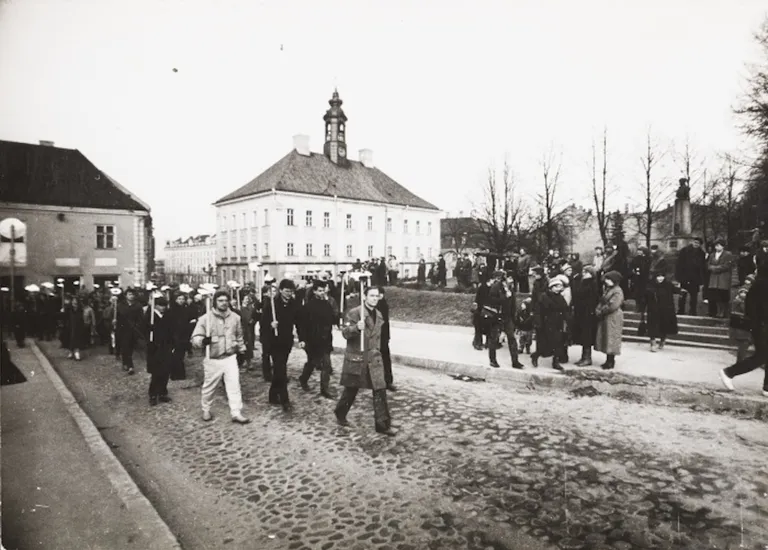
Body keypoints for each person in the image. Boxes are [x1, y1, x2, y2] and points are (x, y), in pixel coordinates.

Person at [334, 286, 396, 436]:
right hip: (358, 357)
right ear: (364, 297)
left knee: (380, 390)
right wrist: (356, 328)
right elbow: (345, 333)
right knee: (351, 389)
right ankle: (340, 412)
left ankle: (382, 425)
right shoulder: (355, 313)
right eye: (371, 296)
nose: (375, 298)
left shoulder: (379, 314)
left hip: (373, 358)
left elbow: (379, 338)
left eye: (376, 296)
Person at [191, 290, 250, 423]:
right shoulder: (205, 318)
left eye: (225, 300)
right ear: (215, 302)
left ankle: (236, 412)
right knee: (209, 386)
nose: (224, 303)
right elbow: (195, 337)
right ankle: (206, 409)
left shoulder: (235, 317)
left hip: (230, 357)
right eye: (220, 301)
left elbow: (239, 335)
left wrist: (242, 349)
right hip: (213, 358)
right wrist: (201, 341)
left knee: (234, 385)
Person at [719, 267, 768, 397]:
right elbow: (751, 306)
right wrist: (758, 323)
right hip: (761, 325)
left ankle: (767, 387)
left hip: (762, 323)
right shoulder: (761, 283)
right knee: (762, 355)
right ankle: (729, 372)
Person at [260, 279, 304, 412]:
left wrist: (301, 338)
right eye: (286, 291)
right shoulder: (271, 304)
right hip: (274, 342)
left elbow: (299, 323)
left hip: (286, 342)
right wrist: (270, 325)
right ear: (280, 290)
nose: (289, 293)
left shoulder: (294, 304)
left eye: (291, 291)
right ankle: (285, 400)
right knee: (281, 370)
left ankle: (273, 395)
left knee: (280, 369)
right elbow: (262, 325)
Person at [298, 280, 336, 398]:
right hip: (312, 340)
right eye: (319, 291)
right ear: (314, 291)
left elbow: (331, 319)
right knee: (312, 362)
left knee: (326, 365)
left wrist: (336, 318)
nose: (322, 293)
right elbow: (302, 325)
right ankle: (303, 379)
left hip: (325, 339)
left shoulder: (327, 304)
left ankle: (324, 389)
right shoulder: (308, 306)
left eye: (323, 290)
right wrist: (302, 339)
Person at [530, 277, 570, 371]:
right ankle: (535, 356)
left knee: (558, 344)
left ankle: (555, 362)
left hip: (557, 324)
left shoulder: (560, 298)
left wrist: (568, 320)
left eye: (560, 286)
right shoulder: (544, 297)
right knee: (544, 345)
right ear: (551, 287)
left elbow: (565, 310)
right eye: (557, 286)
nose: (559, 288)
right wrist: (538, 323)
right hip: (546, 324)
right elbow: (538, 311)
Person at [145, 296, 173, 406]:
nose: (163, 308)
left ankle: (162, 392)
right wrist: (150, 329)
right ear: (155, 305)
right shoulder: (150, 316)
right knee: (156, 372)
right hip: (154, 347)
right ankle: (153, 394)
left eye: (164, 306)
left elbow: (171, 329)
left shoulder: (167, 316)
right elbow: (143, 330)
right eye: (161, 306)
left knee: (165, 371)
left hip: (165, 346)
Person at [594, 271, 624, 370]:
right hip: (607, 316)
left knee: (612, 338)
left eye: (608, 279)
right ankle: (608, 360)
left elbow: (613, 305)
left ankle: (611, 361)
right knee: (607, 338)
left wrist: (601, 310)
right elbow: (603, 300)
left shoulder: (617, 291)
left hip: (613, 317)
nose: (606, 281)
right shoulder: (609, 289)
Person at [572, 266, 600, 366]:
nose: (583, 273)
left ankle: (587, 358)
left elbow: (584, 296)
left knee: (587, 336)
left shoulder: (591, 284)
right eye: (583, 271)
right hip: (582, 313)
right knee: (583, 336)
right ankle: (584, 357)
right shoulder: (583, 282)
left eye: (586, 272)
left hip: (588, 314)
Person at [645, 270, 679, 352]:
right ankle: (653, 343)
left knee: (664, 326)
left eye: (662, 276)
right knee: (652, 326)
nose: (660, 278)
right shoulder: (651, 285)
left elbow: (676, 290)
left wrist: (680, 290)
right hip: (653, 310)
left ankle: (662, 340)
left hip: (665, 310)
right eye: (658, 276)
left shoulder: (668, 285)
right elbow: (646, 297)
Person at [500, 271, 525, 369]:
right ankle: (492, 360)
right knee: (494, 340)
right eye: (510, 278)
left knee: (512, 339)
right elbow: (494, 300)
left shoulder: (511, 288)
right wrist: (505, 296)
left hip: (509, 317)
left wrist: (514, 316)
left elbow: (513, 303)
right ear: (505, 278)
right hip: (499, 316)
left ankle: (515, 361)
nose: (511, 280)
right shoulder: (498, 287)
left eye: (512, 279)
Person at [116, 288, 144, 375]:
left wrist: (138, 326)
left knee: (130, 347)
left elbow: (141, 318)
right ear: (126, 296)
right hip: (123, 329)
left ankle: (126, 362)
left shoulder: (138, 306)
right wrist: (114, 322)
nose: (131, 296)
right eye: (129, 294)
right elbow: (117, 317)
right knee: (125, 347)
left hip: (133, 329)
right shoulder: (120, 305)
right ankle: (130, 366)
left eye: (132, 294)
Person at [676, 237, 707, 315]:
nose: (696, 244)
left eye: (698, 243)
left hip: (695, 278)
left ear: (700, 245)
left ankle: (693, 311)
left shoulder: (702, 253)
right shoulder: (684, 251)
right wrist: (679, 278)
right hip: (684, 277)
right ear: (692, 242)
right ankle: (681, 310)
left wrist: (701, 280)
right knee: (682, 294)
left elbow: (702, 267)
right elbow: (679, 264)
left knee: (694, 296)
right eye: (695, 242)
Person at [706, 239, 734, 318]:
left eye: (718, 245)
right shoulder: (712, 255)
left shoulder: (728, 254)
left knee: (723, 295)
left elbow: (726, 266)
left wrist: (715, 268)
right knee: (715, 295)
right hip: (714, 278)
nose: (716, 247)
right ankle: (716, 312)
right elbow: (708, 265)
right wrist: (712, 268)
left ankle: (723, 312)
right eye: (715, 246)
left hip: (723, 278)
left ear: (723, 246)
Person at [377, 287, 397, 390]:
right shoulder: (372, 305)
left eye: (381, 294)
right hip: (374, 336)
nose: (379, 296)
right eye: (377, 294)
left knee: (385, 359)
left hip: (383, 336)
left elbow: (386, 323)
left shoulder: (384, 305)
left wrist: (387, 336)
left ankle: (388, 381)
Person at [729, 287, 752, 363]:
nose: (743, 294)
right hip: (742, 326)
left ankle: (740, 360)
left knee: (743, 344)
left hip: (740, 326)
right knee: (743, 343)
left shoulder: (737, 301)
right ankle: (740, 361)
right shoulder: (739, 302)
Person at [64, 296, 87, 361]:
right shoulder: (69, 309)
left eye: (75, 301)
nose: (74, 302)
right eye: (73, 300)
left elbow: (82, 319)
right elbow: (66, 317)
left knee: (77, 339)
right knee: (71, 338)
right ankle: (71, 351)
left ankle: (77, 352)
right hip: (70, 326)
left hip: (78, 326)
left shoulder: (80, 310)